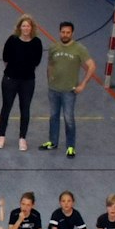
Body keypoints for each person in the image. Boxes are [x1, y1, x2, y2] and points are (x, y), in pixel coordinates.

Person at [39, 21, 95, 158]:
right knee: (53, 116)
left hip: (69, 91)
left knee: (69, 118)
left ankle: (70, 146)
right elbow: (50, 64)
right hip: (53, 90)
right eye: (63, 32)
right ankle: (53, 142)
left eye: (68, 32)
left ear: (72, 33)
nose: (65, 35)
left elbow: (92, 66)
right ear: (59, 32)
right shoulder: (54, 47)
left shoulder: (79, 49)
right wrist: (49, 79)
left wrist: (83, 84)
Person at [0, 16, 42, 151]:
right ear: (19, 27)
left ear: (32, 28)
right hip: (10, 79)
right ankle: (1, 135)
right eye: (24, 25)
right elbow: (5, 58)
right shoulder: (12, 40)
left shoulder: (37, 42)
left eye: (28, 26)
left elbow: (37, 61)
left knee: (25, 108)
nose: (26, 28)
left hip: (28, 81)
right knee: (6, 107)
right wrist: (12, 72)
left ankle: (22, 138)